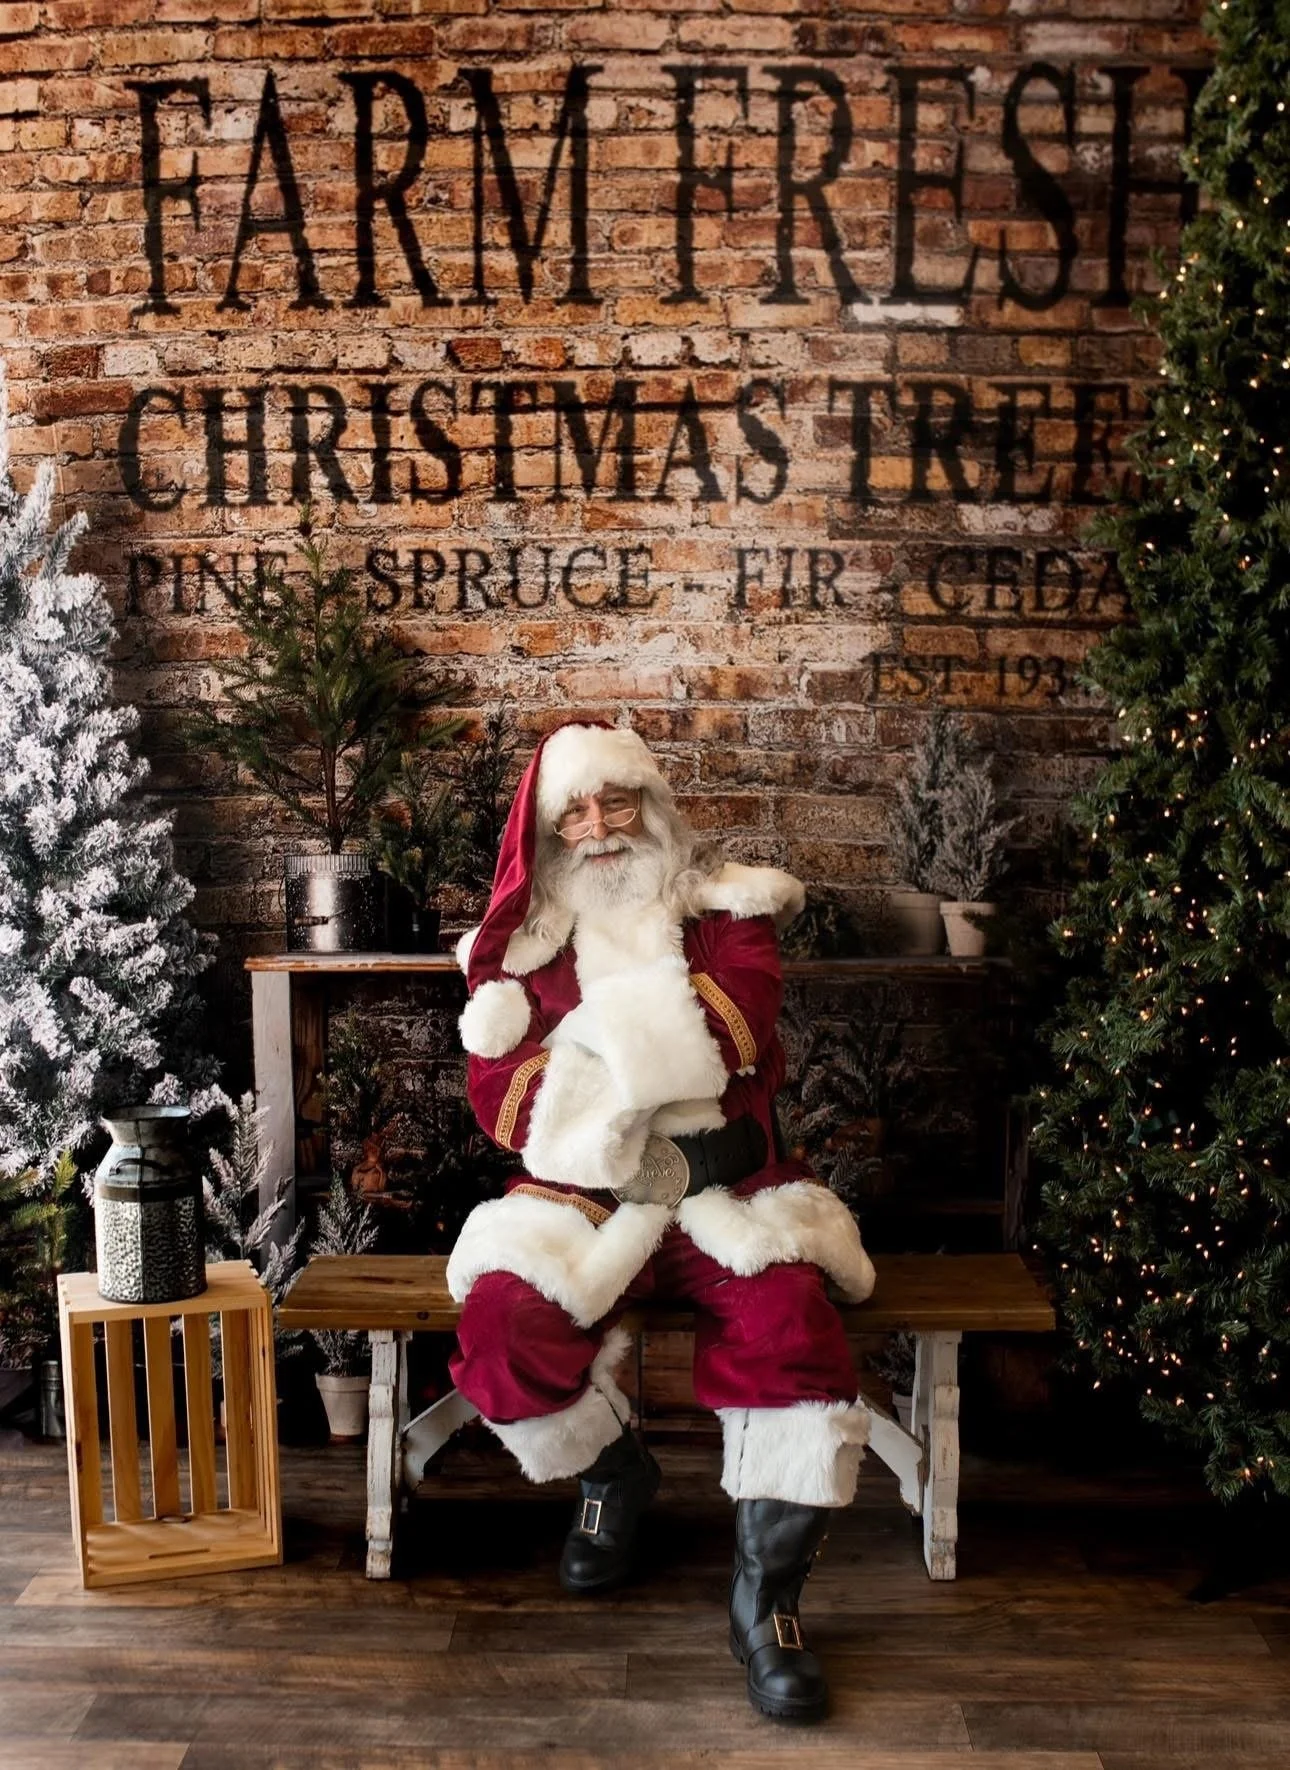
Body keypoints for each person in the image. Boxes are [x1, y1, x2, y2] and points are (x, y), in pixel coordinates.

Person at [447, 720, 876, 1722]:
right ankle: (615, 1474)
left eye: (617, 801)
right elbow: (501, 1102)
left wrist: (579, 1052)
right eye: (574, 813)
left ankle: (766, 1606)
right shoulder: (522, 949)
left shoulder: (730, 910)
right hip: (588, 1199)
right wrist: (625, 1079)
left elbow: (733, 1033)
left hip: (729, 1188)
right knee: (502, 1330)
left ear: (652, 804)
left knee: (792, 1328)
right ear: (548, 832)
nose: (600, 828)